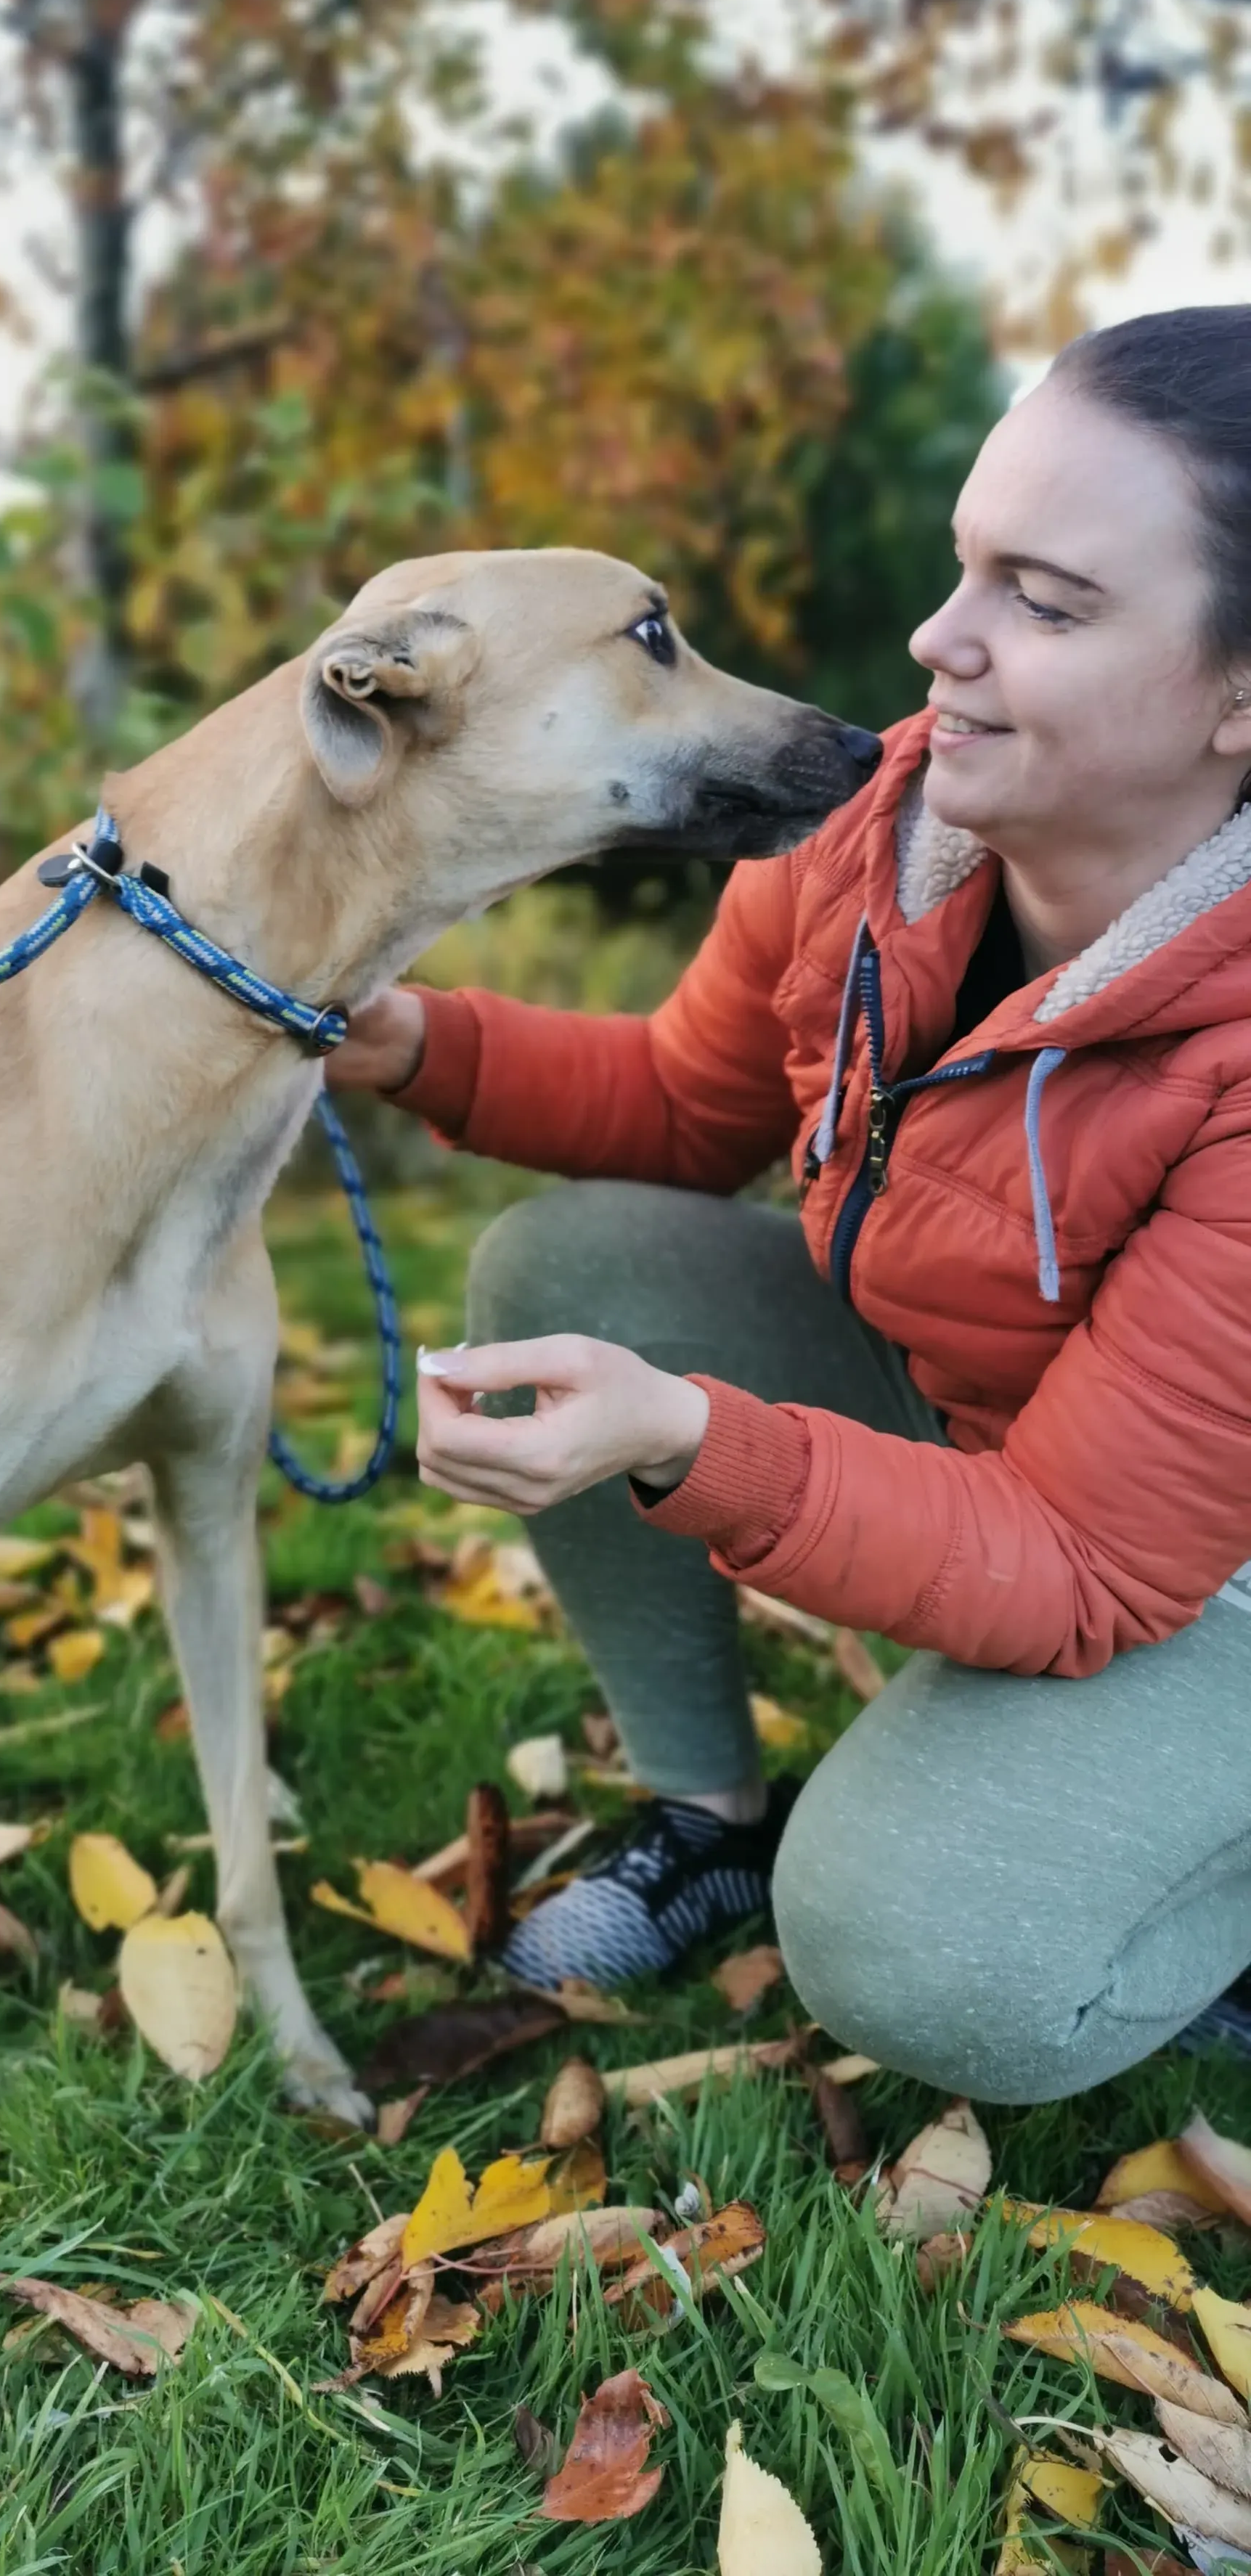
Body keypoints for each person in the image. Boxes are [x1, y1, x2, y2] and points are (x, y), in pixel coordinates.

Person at [327, 306, 1251, 2106]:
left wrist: (690, 1438)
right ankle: (711, 1820)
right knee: (573, 1265)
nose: (940, 641)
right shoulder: (884, 830)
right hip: (1003, 1444)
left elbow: (1089, 1561)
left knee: (929, 1958)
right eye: (965, 565)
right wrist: (414, 1039)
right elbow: (687, 1104)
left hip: (1203, 1572)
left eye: (1045, 603)